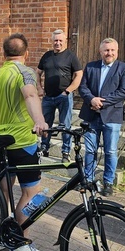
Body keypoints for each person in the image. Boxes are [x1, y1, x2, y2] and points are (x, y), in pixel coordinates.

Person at [0, 33, 49, 251]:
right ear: (26, 53)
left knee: (4, 190)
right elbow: (30, 95)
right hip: (23, 141)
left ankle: (4, 235)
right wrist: (39, 120)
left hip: (1, 139)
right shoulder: (25, 72)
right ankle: (20, 244)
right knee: (32, 194)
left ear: (4, 53)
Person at [78, 38, 125, 196]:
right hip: (91, 115)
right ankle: (88, 180)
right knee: (89, 150)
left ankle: (108, 182)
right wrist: (91, 100)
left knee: (110, 151)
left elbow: (123, 91)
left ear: (117, 51)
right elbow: (83, 87)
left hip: (112, 116)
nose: (109, 53)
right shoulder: (91, 66)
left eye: (112, 50)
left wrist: (102, 102)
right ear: (100, 51)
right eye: (106, 50)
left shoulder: (124, 68)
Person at [36, 29, 83, 163]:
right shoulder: (47, 56)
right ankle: (44, 147)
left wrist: (68, 90)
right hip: (48, 97)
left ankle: (66, 151)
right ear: (52, 41)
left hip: (64, 97)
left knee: (65, 126)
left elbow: (79, 74)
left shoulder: (71, 56)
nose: (58, 43)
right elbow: (38, 72)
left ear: (65, 41)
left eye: (60, 40)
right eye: (55, 40)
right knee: (46, 125)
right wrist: (40, 88)